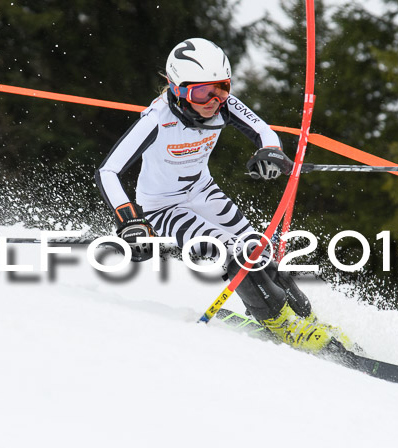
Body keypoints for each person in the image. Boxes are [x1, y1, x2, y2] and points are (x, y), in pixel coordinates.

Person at [96, 38, 350, 354]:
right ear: (178, 89)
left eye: (222, 88)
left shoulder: (224, 107)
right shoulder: (157, 119)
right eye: (202, 92)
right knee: (233, 253)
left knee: (258, 248)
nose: (214, 101)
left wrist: (270, 153)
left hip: (203, 192)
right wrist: (129, 219)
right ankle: (279, 323)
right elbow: (108, 172)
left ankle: (305, 319)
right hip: (163, 208)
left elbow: (263, 132)